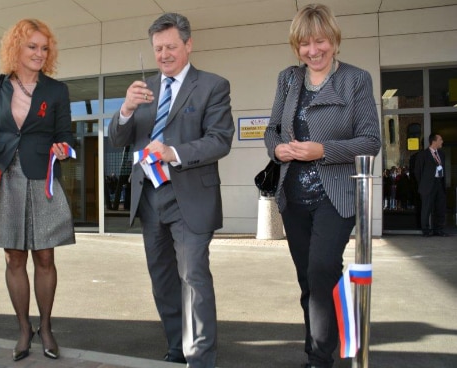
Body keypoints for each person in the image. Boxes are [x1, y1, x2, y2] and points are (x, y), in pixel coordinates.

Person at [109, 12, 234, 368]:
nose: (164, 54)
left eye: (171, 47)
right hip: (150, 198)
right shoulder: (143, 90)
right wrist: (125, 109)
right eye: (158, 48)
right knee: (162, 279)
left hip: (191, 198)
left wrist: (173, 152)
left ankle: (200, 358)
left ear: (188, 45)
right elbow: (118, 139)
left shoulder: (212, 85)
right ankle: (177, 347)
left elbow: (220, 140)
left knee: (193, 276)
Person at [264, 4, 381, 368]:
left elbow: (371, 141)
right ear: (295, 47)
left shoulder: (355, 80)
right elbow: (271, 131)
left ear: (334, 40)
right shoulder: (288, 79)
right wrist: (278, 149)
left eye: (320, 41)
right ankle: (316, 349)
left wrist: (323, 150)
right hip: (293, 195)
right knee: (308, 280)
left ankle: (320, 357)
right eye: (304, 44)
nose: (313, 51)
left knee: (322, 268)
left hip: (336, 193)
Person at [0, 19, 75, 361]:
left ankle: (45, 327)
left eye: (44, 48)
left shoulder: (56, 90)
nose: (39, 53)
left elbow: (65, 134)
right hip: (6, 176)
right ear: (16, 48)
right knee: (14, 256)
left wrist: (62, 147)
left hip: (41, 175)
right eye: (32, 46)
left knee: (45, 255)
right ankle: (22, 328)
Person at [414, 134, 448, 237]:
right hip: (427, 185)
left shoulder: (441, 154)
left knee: (440, 207)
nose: (442, 141)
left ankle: (438, 229)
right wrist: (423, 184)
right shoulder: (423, 155)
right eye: (440, 140)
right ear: (434, 141)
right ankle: (426, 230)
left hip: (439, 183)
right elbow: (418, 172)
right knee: (426, 208)